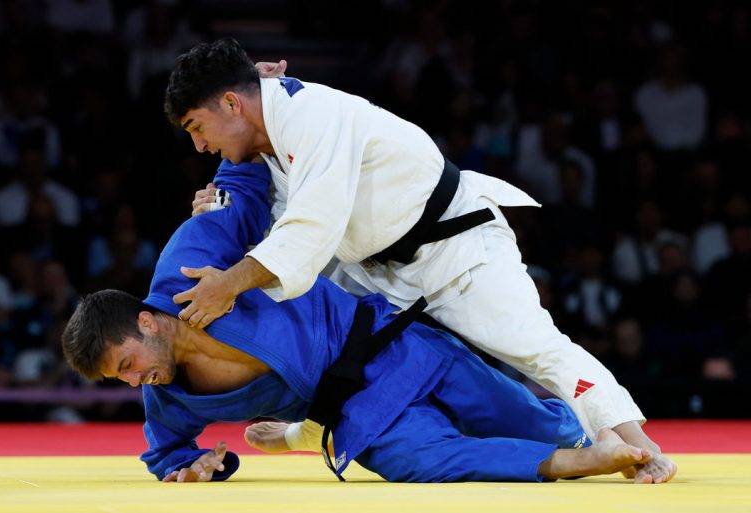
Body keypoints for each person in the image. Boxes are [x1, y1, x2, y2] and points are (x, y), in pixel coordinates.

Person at [164, 39, 675, 484]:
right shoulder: (262, 135)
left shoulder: (309, 115)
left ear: (231, 103)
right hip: (374, 269)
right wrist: (219, 208)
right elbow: (271, 215)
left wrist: (229, 284)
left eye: (197, 126)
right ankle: (311, 430)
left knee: (536, 349)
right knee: (342, 354)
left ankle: (639, 446)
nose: (198, 145)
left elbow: (311, 225)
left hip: (455, 250)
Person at [62, 159, 651, 484]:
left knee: (525, 417)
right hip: (356, 412)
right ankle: (570, 462)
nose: (136, 383)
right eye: (124, 381)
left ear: (150, 321)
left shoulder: (188, 267)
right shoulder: (168, 399)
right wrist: (198, 467)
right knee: (413, 461)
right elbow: (165, 455)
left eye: (128, 365)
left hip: (394, 347)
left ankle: (577, 438)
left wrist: (263, 99)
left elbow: (240, 182)